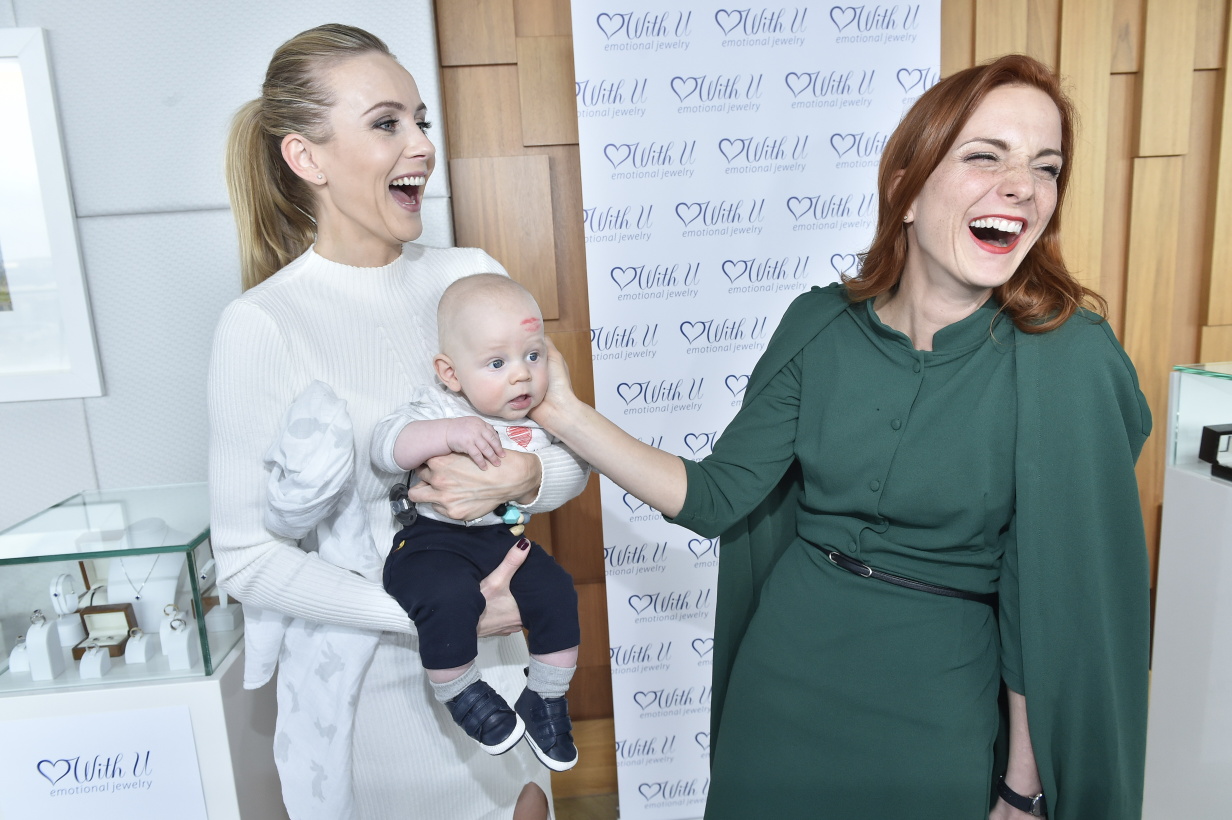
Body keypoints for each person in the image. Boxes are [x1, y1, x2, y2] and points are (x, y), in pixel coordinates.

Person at [530, 54, 1150, 820]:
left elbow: (1048, 603)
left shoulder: (1064, 360)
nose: (1023, 186)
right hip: (781, 690)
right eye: (986, 156)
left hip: (937, 714)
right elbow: (716, 497)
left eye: (1045, 167)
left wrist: (1021, 789)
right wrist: (564, 412)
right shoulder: (820, 325)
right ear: (906, 189)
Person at [208, 23, 588, 820]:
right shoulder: (262, 325)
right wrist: (431, 612)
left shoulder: (472, 277)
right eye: (387, 123)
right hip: (376, 701)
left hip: (506, 669)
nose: (421, 145)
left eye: (421, 119)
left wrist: (526, 476)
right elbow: (245, 561)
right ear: (306, 157)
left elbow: (568, 455)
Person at [372, 274, 580, 771]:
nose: (521, 376)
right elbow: (385, 447)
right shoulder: (439, 405)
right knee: (446, 597)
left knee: (557, 592)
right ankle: (461, 692)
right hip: (431, 543)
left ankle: (545, 695)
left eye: (533, 355)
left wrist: (533, 470)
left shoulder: (538, 418)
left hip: (503, 540)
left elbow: (577, 468)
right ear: (451, 372)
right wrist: (447, 432)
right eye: (497, 363)